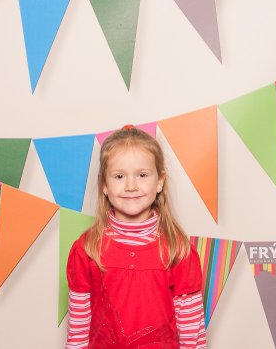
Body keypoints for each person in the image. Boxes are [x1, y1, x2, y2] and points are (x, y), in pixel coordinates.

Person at [65, 126, 207, 348]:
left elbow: (192, 327)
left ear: (159, 181)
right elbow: (78, 326)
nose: (131, 186)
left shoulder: (177, 249)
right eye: (119, 176)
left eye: (142, 175)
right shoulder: (87, 248)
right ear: (104, 185)